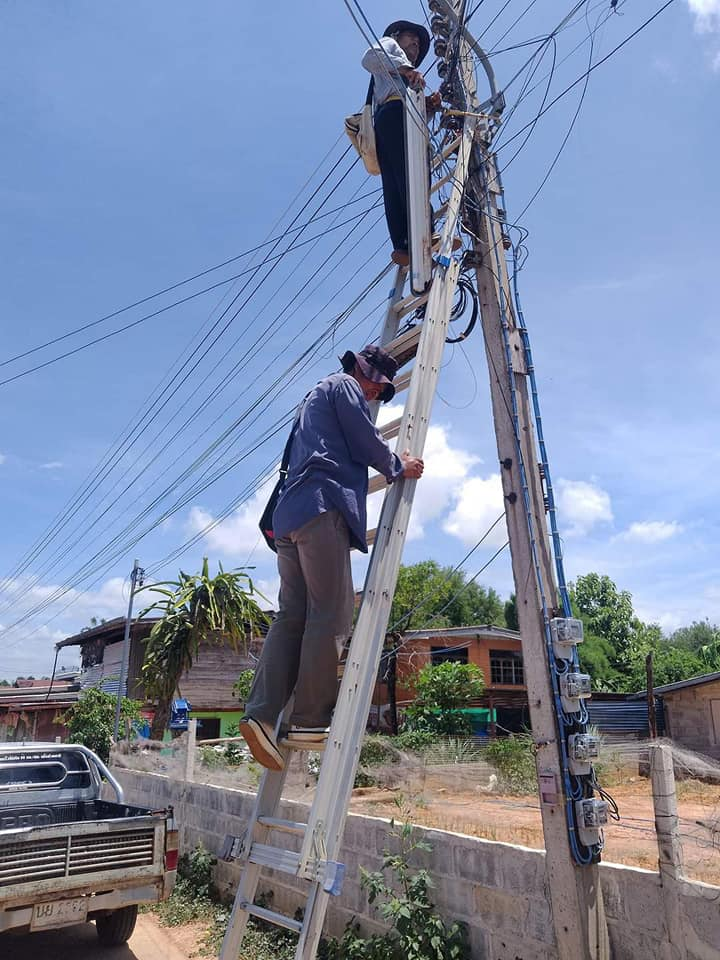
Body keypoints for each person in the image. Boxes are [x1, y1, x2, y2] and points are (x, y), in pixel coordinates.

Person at [240, 345, 424, 770]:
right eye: (379, 391)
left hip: (291, 516)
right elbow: (364, 439)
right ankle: (308, 719)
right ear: (369, 378)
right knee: (334, 615)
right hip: (322, 508)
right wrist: (398, 464)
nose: (377, 400)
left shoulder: (313, 397)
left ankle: (262, 714)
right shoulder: (343, 387)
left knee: (293, 616)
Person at [361, 20, 440, 266]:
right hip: (393, 114)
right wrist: (406, 69)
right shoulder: (390, 46)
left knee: (397, 181)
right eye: (412, 40)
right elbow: (369, 58)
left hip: (397, 117)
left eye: (417, 45)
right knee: (410, 173)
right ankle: (421, 231)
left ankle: (403, 244)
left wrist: (429, 108)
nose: (415, 47)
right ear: (398, 36)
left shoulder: (407, 74)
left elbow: (414, 107)